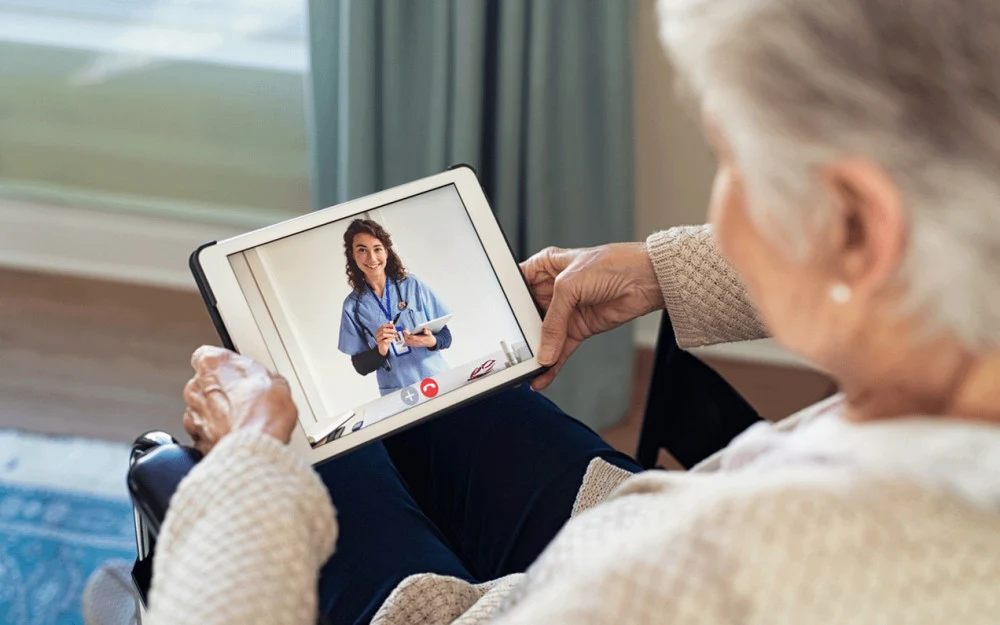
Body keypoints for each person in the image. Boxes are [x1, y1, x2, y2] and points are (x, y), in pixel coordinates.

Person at [144, 0, 1000, 623]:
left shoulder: (718, 574)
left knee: (300, 442)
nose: (725, 198)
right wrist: (660, 271)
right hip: (639, 509)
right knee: (428, 409)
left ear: (856, 227)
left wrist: (249, 467)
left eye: (731, 157)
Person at [337, 219, 452, 395]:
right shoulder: (353, 306)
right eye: (362, 250)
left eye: (377, 249)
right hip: (399, 391)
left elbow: (446, 336)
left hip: (435, 378)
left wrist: (432, 341)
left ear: (386, 251)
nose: (372, 258)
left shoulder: (413, 285)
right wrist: (380, 350)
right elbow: (360, 366)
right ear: (352, 255)